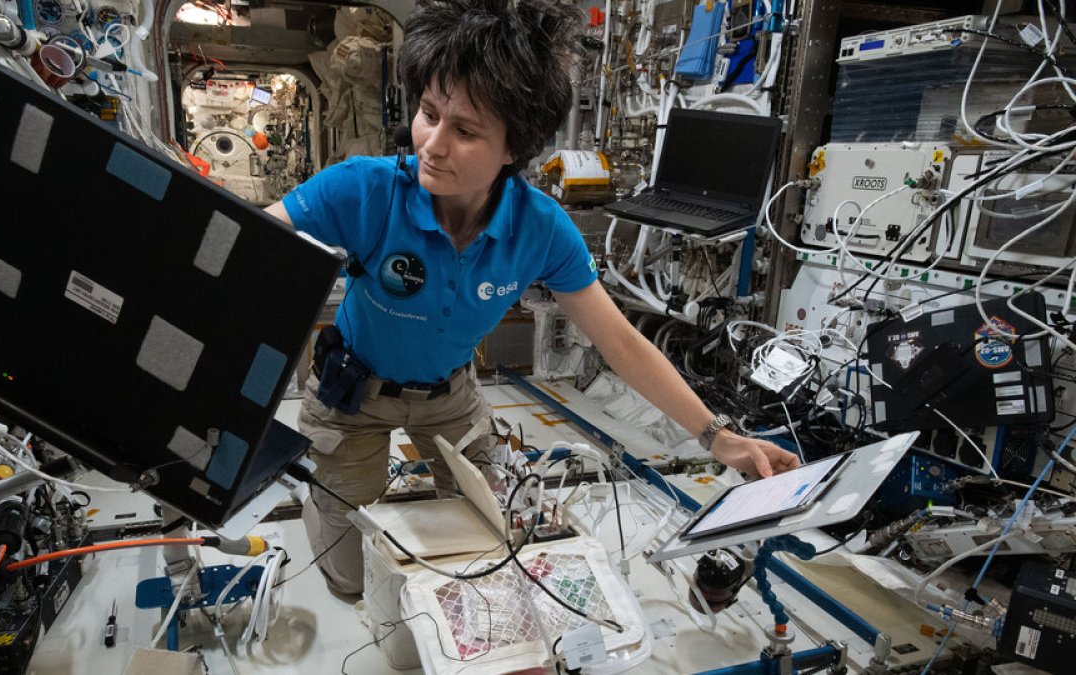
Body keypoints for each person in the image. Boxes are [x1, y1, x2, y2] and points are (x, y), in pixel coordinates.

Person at [265, 0, 800, 599]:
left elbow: (620, 342)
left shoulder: (540, 230)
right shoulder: (361, 190)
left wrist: (718, 437)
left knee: (488, 538)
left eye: (464, 131)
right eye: (428, 113)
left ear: (515, 148)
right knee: (349, 570)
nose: (432, 146)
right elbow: (245, 245)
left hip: (451, 397)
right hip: (351, 394)